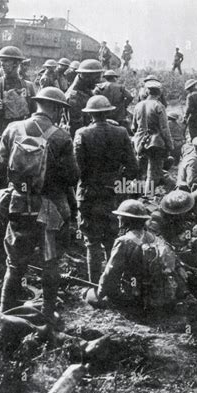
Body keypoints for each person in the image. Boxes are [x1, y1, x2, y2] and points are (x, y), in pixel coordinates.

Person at [0, 87, 79, 316]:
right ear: (56, 109)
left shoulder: (12, 129)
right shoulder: (61, 137)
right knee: (50, 263)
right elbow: (72, 177)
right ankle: (48, 316)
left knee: (15, 263)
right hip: (51, 210)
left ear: (38, 104)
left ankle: (6, 313)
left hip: (19, 206)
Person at [74, 95, 138, 284]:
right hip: (113, 194)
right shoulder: (121, 133)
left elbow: (77, 169)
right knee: (112, 238)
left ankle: (94, 285)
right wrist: (118, 182)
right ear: (108, 112)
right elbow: (133, 168)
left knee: (92, 241)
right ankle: (112, 284)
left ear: (90, 114)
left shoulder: (82, 134)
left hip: (89, 194)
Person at [84, 200, 186, 311]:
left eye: (120, 216)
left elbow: (111, 274)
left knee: (88, 294)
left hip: (137, 300)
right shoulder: (156, 238)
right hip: (163, 296)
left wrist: (100, 293)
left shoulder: (124, 241)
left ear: (126, 220)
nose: (118, 218)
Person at [0, 46, 36, 188]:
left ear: (16, 64)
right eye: (1, 61)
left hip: (20, 138)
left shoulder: (28, 87)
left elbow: (34, 112)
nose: (2, 64)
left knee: (21, 175)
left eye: (6, 61)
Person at [133, 80, 173, 193]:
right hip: (155, 143)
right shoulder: (158, 106)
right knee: (153, 173)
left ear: (147, 92)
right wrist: (169, 144)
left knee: (142, 171)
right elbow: (164, 129)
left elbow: (133, 127)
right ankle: (147, 197)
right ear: (159, 93)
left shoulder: (138, 105)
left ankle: (137, 194)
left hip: (140, 142)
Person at [65, 59, 104, 138]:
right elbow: (76, 129)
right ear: (86, 77)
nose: (98, 81)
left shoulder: (86, 90)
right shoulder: (74, 98)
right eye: (96, 78)